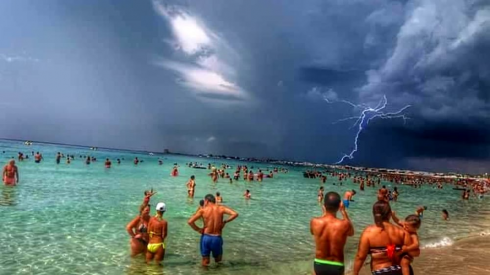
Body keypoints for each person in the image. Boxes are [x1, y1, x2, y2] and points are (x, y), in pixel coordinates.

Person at [353, 200, 414, 275]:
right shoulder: (402, 232)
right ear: (389, 214)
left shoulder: (368, 233)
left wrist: (355, 273)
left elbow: (360, 257)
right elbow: (411, 253)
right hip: (403, 271)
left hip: (382, 271)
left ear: (374, 214)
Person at [187, 194, 239, 266]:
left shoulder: (203, 210)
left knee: (205, 261)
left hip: (206, 237)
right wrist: (225, 222)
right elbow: (235, 214)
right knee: (218, 261)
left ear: (206, 201)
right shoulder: (221, 208)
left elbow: (190, 222)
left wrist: (198, 229)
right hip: (217, 238)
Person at [310, 192, 354, 275]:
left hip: (319, 263)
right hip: (337, 265)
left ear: (324, 205)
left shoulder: (314, 222)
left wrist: (324, 213)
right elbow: (351, 233)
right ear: (339, 206)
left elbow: (313, 232)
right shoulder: (344, 224)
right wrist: (343, 211)